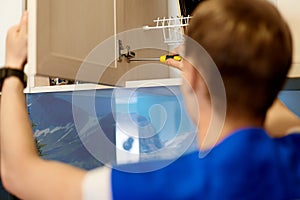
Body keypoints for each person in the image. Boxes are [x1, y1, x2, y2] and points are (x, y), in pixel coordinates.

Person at [1, 0, 300, 199]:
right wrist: (211, 71)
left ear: (194, 79)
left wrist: (13, 69)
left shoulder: (167, 185)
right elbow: (273, 108)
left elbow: (19, 174)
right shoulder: (293, 154)